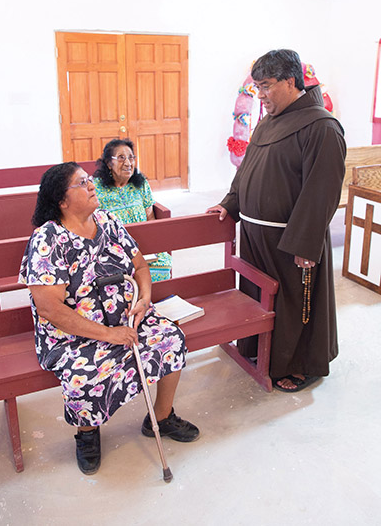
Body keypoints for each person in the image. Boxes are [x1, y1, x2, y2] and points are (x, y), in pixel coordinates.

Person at [19, 162, 199, 475]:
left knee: (171, 340)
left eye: (89, 180)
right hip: (74, 334)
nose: (92, 185)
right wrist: (107, 334)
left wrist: (144, 299)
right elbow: (50, 309)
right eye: (81, 183)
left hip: (126, 318)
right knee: (84, 377)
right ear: (62, 201)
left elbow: (141, 267)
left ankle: (161, 416)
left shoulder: (107, 221)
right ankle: (87, 434)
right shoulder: (47, 241)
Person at [208, 49, 346, 393]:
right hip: (256, 234)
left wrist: (305, 243)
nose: (262, 95)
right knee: (258, 297)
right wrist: (231, 203)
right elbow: (247, 172)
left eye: (267, 86)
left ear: (290, 81)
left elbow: (322, 191)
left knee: (294, 303)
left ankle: (302, 364)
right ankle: (260, 351)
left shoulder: (321, 127)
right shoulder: (267, 122)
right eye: (257, 87)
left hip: (291, 241)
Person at [93, 138, 172, 282]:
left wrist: (151, 248)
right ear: (109, 163)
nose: (128, 163)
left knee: (163, 263)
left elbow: (150, 218)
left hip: (143, 247)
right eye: (121, 158)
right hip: (111, 249)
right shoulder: (96, 188)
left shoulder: (140, 184)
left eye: (131, 157)